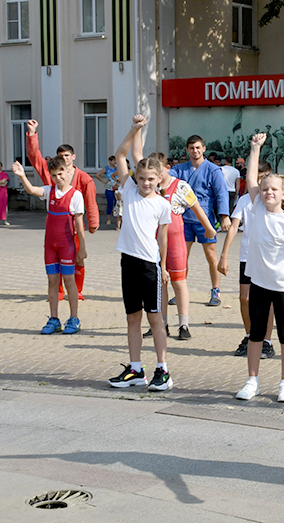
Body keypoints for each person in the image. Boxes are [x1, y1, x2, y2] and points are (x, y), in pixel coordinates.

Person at [235, 134, 284, 403]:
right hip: (259, 283)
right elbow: (250, 179)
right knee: (256, 334)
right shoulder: (256, 207)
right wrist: (255, 147)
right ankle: (252, 380)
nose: (268, 192)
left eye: (274, 190)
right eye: (264, 188)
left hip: (283, 286)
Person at [108, 115, 173, 391]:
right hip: (128, 262)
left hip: (150, 266)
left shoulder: (161, 205)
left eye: (150, 179)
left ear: (159, 178)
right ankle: (135, 369)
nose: (145, 183)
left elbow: (163, 238)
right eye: (142, 178)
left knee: (154, 318)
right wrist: (134, 128)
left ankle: (163, 369)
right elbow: (121, 154)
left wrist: (165, 267)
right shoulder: (129, 189)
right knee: (132, 317)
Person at [131, 139, 217, 341]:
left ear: (166, 169)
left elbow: (197, 208)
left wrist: (209, 229)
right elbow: (136, 156)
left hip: (176, 240)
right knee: (158, 284)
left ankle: (184, 325)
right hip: (153, 242)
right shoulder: (148, 188)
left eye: (158, 172)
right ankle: (161, 324)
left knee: (179, 283)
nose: (155, 176)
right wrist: (136, 132)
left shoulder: (180, 186)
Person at [26, 119, 99, 301]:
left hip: (75, 227)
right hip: (55, 228)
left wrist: (94, 222)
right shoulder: (51, 172)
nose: (64, 158)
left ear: (73, 157)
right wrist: (32, 134)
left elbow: (90, 201)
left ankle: (77, 290)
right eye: (61, 155)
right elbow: (34, 156)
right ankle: (58, 292)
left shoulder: (84, 178)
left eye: (67, 155)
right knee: (56, 261)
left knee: (78, 259)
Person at [12, 157, 86, 334]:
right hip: (50, 246)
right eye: (54, 175)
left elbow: (79, 224)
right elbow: (31, 190)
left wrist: (82, 247)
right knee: (52, 281)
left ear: (68, 171)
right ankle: (54, 319)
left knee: (69, 281)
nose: (58, 178)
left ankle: (74, 318)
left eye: (60, 173)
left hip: (67, 245)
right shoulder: (49, 191)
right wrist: (22, 175)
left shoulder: (75, 195)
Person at [218, 159, 277, 360]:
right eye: (257, 178)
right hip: (247, 257)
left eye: (263, 178)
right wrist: (224, 255)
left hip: (267, 258)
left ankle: (266, 341)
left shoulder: (272, 202)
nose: (260, 182)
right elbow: (234, 226)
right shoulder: (244, 200)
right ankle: (251, 335)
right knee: (245, 298)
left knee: (267, 301)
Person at [170, 135, 231, 306]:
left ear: (203, 148)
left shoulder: (213, 170)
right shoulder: (179, 169)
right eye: (191, 148)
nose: (195, 151)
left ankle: (216, 291)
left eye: (198, 147)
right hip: (184, 219)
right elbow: (165, 178)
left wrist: (224, 216)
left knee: (211, 256)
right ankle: (180, 291)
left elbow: (221, 194)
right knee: (182, 257)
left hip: (205, 221)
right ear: (187, 150)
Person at [95, 156, 118, 225]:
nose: (115, 162)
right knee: (110, 203)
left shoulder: (117, 168)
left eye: (115, 160)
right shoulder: (107, 168)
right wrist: (103, 181)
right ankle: (108, 219)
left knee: (117, 204)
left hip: (117, 188)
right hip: (109, 188)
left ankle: (118, 220)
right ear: (110, 161)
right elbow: (97, 175)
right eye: (113, 160)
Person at [0, 161, 9, 225]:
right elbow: (2, 183)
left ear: (1, 167)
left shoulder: (4, 174)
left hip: (2, 193)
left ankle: (5, 220)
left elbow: (4, 182)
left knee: (4, 206)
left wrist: (2, 182)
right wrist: (0, 183)